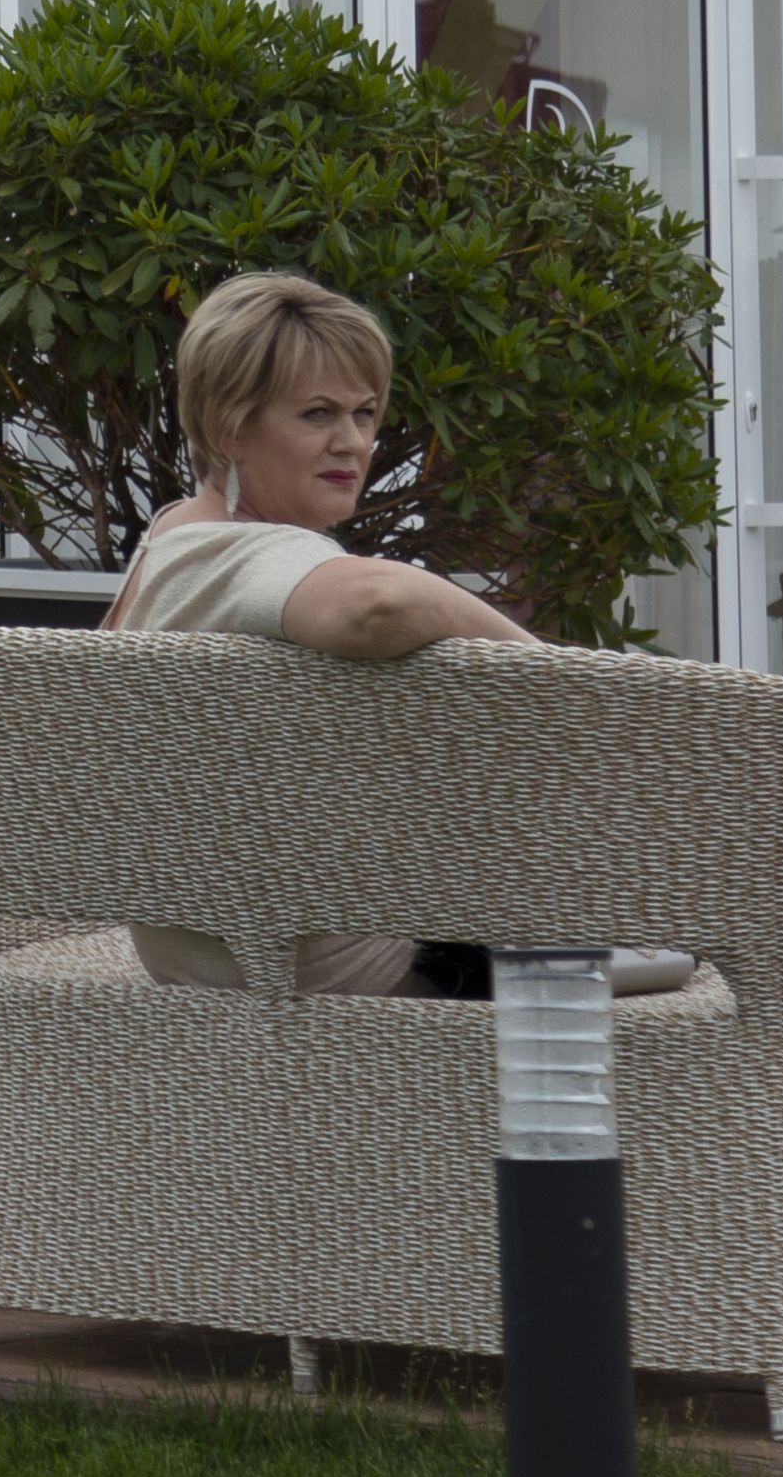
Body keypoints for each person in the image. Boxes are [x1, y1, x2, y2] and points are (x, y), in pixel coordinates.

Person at [100, 268, 530, 996]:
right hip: (320, 970)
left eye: (364, 413)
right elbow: (378, 603)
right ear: (231, 428)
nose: (353, 443)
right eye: (318, 414)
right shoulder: (238, 554)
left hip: (210, 952)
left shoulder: (174, 531)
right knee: (661, 963)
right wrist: (550, 670)